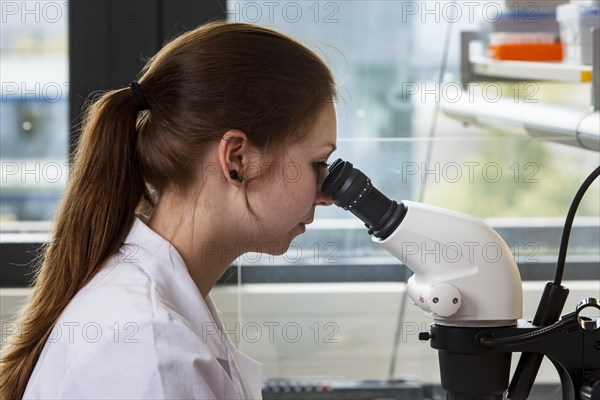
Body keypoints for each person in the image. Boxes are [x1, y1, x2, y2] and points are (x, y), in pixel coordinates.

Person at [0, 20, 338, 399]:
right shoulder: (149, 345)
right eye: (317, 163)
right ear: (236, 160)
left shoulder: (159, 303)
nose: (328, 194)